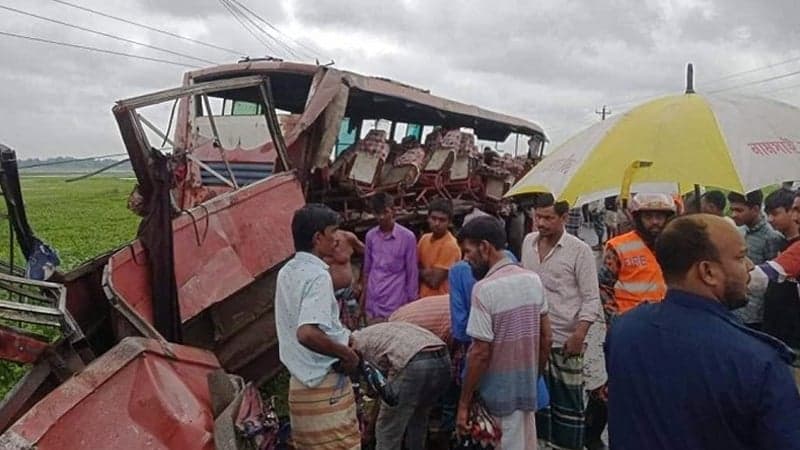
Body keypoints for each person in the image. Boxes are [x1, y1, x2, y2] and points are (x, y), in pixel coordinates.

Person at [606, 214, 800, 449]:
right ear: (707, 272)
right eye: (740, 257)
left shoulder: (623, 331)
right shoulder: (759, 362)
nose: (749, 266)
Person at [456, 216, 552, 450]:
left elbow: (479, 354)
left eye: (468, 252)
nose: (466, 259)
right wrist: (532, 376)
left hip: (496, 399)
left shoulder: (484, 290)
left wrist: (464, 404)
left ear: (484, 247)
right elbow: (546, 339)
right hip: (526, 394)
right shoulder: (533, 280)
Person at [275, 204, 361, 450]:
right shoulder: (318, 276)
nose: (337, 238)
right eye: (332, 232)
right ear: (317, 238)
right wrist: (347, 353)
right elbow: (307, 332)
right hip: (325, 385)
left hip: (300, 387)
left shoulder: (287, 271)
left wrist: (343, 334)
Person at [520, 195, 601, 450]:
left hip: (565, 341)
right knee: (538, 405)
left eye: (548, 218)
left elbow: (591, 299)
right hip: (534, 340)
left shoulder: (580, 251)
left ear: (564, 218)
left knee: (568, 406)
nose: (541, 223)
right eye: (538, 217)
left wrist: (579, 335)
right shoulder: (527, 242)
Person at [350, 322, 451, 450]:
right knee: (419, 416)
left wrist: (369, 430)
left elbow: (384, 394)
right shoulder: (374, 332)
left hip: (414, 361)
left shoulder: (358, 347)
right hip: (442, 359)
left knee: (389, 427)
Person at [599, 193, 675, 322]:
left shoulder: (675, 246)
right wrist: (614, 319)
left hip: (666, 320)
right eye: (648, 217)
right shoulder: (619, 247)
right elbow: (604, 287)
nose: (655, 222)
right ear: (638, 219)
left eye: (659, 217)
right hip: (629, 320)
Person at [750, 189, 800, 388]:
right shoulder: (784, 243)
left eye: (798, 210)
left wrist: (731, 266)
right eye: (794, 210)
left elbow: (762, 278)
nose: (796, 217)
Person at [727, 190, 784, 330]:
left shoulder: (771, 237)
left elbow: (774, 277)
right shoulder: (739, 232)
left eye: (739, 210)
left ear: (755, 209)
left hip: (756, 314)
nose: (734, 214)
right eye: (732, 210)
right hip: (736, 309)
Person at [361, 192, 418, 323]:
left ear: (393, 211)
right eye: (377, 213)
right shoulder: (370, 236)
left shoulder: (407, 238)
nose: (381, 217)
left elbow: (412, 273)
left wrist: (412, 304)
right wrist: (363, 302)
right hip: (373, 303)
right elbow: (367, 271)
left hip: (395, 303)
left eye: (385, 212)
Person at [418, 199, 461, 297]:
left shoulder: (450, 246)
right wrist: (426, 272)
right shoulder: (424, 239)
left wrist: (419, 271)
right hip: (421, 299)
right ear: (428, 218)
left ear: (449, 222)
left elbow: (434, 282)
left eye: (442, 220)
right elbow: (414, 265)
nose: (437, 223)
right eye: (434, 218)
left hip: (439, 301)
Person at [325, 230, 365, 330]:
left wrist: (360, 281)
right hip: (326, 295)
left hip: (348, 293)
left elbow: (369, 255)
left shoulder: (348, 238)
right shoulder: (317, 243)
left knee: (356, 329)